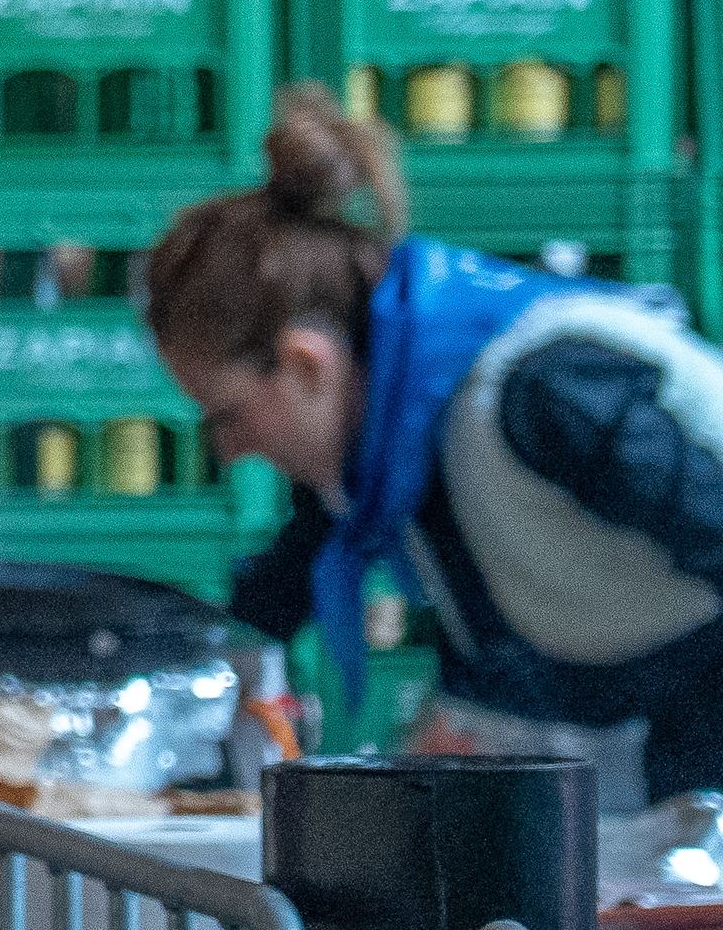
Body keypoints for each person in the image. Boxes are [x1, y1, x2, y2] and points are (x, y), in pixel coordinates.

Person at [147, 83, 723, 801]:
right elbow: (278, 592)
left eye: (227, 414)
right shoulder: (387, 439)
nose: (227, 449)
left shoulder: (542, 392)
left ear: (305, 365)